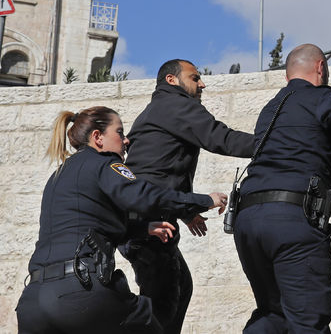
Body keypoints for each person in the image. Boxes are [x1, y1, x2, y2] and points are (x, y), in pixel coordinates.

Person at [16, 106, 228, 333]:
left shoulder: (57, 176)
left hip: (33, 301)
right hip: (81, 292)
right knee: (157, 319)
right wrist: (205, 200)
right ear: (97, 137)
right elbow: (147, 195)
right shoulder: (105, 164)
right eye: (119, 132)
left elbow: (87, 226)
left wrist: (143, 228)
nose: (126, 141)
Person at [232, 43, 331, 333]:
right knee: (308, 320)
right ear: (320, 68)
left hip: (247, 222)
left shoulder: (270, 109)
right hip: (291, 222)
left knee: (272, 314)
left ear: (287, 76)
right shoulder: (320, 97)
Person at [120, 59, 255, 334]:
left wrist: (185, 212)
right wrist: (274, 142)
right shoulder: (175, 105)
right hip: (149, 223)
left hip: (145, 218)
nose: (202, 83)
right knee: (161, 304)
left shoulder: (160, 109)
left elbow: (162, 168)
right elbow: (221, 138)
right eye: (195, 78)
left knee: (178, 288)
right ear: (172, 80)